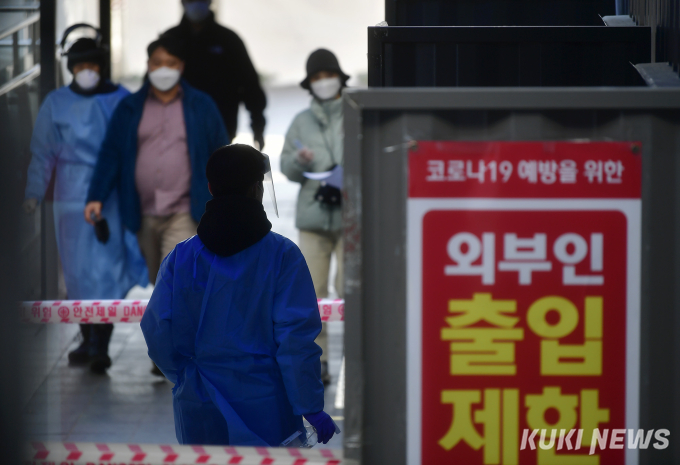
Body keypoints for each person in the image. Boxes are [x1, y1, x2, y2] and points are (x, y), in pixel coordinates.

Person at [141, 144, 337, 446]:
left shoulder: (181, 258)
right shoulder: (283, 255)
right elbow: (295, 340)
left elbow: (157, 331)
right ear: (257, 188)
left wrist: (187, 376)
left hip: (200, 403)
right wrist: (310, 405)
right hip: (267, 405)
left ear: (209, 187)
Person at [84, 36, 229, 374]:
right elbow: (111, 154)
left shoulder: (201, 106)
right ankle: (169, 344)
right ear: (148, 65)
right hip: (143, 212)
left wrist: (225, 198)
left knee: (176, 278)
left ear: (182, 67)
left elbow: (221, 151)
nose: (164, 70)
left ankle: (169, 352)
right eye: (157, 62)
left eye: (172, 63)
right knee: (156, 278)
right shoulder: (130, 108)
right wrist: (96, 196)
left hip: (185, 209)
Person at [23, 25, 148, 374]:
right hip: (69, 199)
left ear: (101, 64)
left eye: (91, 65)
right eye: (79, 67)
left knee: (105, 272)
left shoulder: (121, 99)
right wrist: (34, 192)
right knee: (77, 273)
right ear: (70, 68)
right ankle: (86, 336)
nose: (86, 72)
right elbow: (43, 152)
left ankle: (100, 343)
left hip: (109, 197)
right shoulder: (56, 102)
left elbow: (132, 148)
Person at [280, 49, 349, 384]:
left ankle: (359, 356)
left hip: (352, 217)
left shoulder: (357, 112)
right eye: (317, 77)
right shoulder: (301, 121)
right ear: (309, 83)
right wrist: (300, 161)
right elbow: (285, 167)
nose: (324, 82)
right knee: (313, 293)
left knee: (352, 288)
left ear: (339, 77)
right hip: (314, 217)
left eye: (328, 75)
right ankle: (317, 362)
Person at [163, 0, 267, 149]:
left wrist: (258, 127)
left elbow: (250, 85)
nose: (196, 5)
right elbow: (153, 83)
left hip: (220, 126)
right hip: (175, 128)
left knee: (215, 169)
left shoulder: (228, 40)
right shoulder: (170, 39)